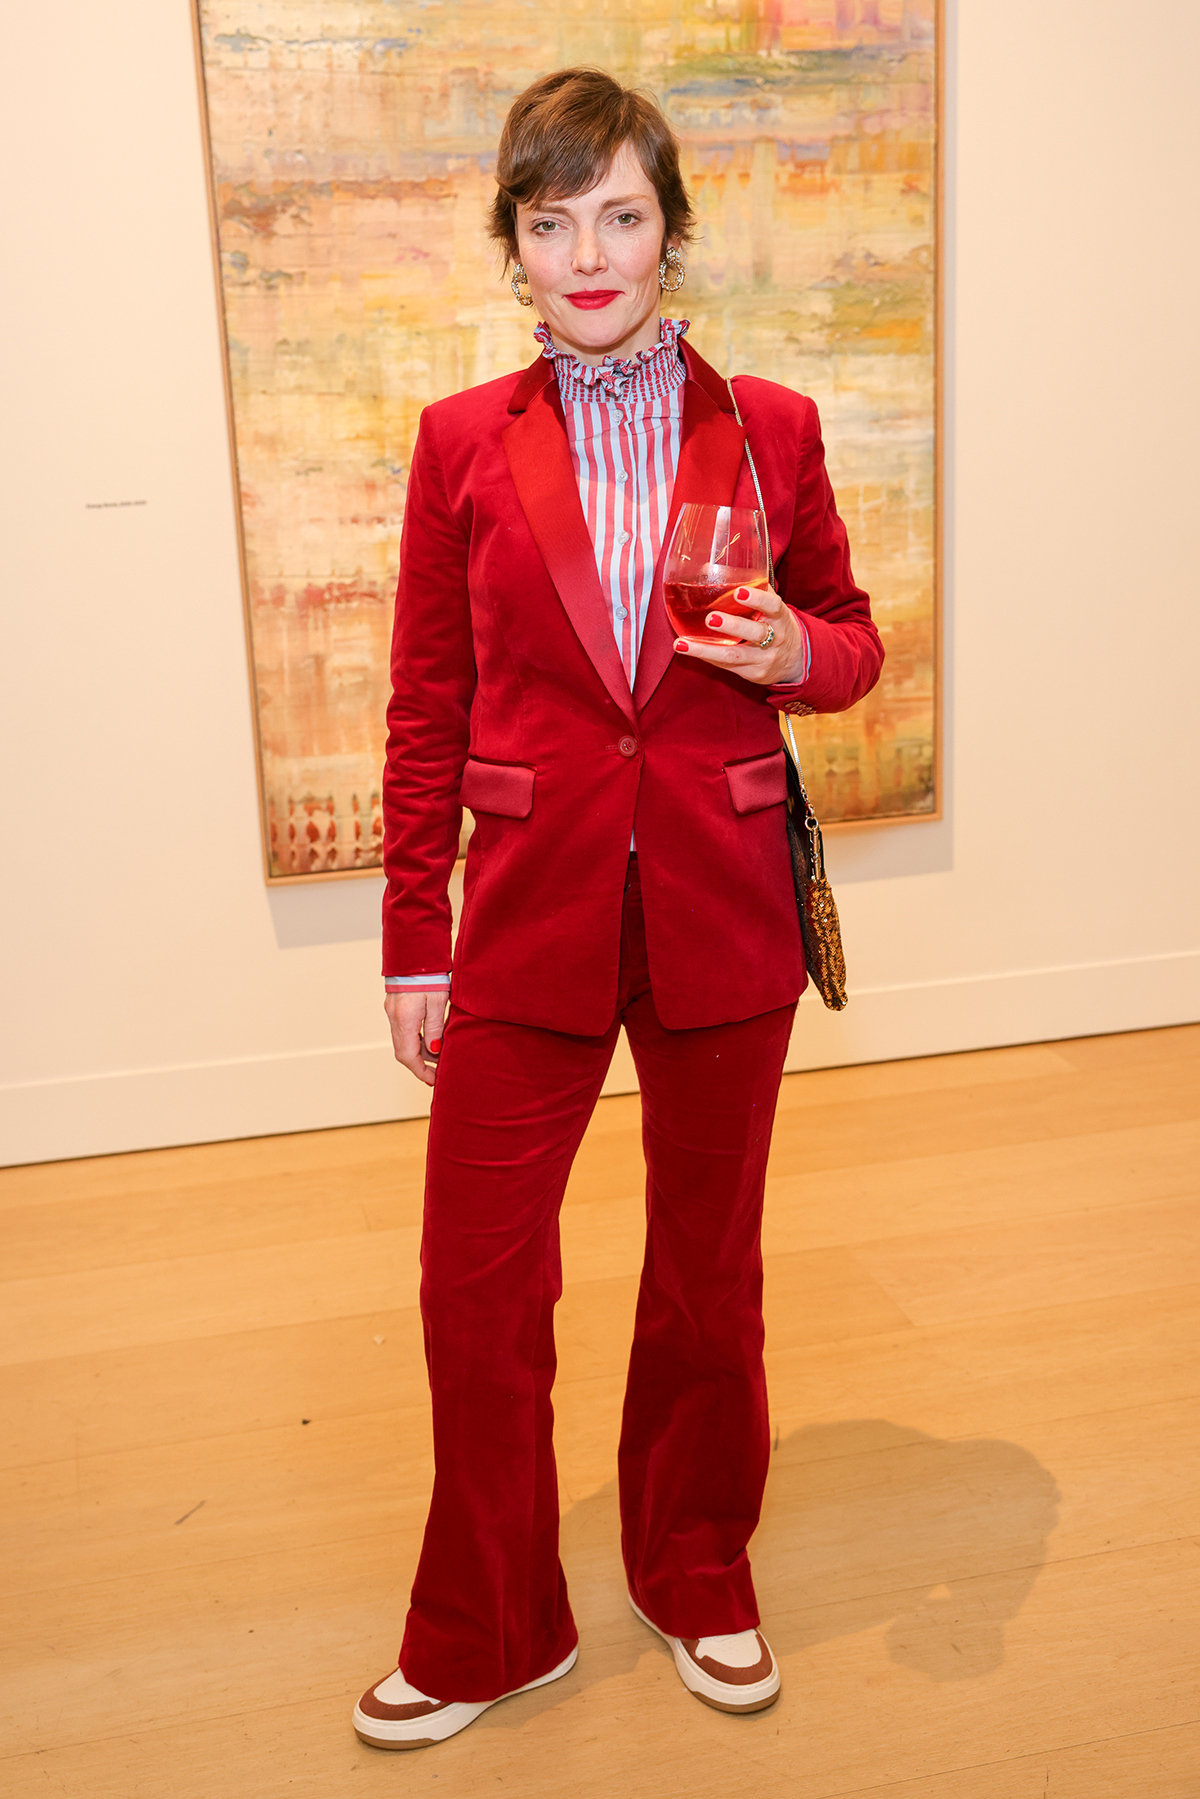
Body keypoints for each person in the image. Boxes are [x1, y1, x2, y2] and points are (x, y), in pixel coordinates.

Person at [353, 67, 883, 1751]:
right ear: (513, 247)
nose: (589, 251)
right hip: (524, 917)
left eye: (622, 215)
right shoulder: (459, 447)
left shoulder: (774, 426)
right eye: (551, 218)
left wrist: (802, 656)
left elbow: (850, 633)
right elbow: (426, 705)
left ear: (672, 231)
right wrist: (410, 940)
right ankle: (492, 1620)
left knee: (707, 1281)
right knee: (474, 1283)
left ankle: (697, 1566)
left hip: (722, 898)